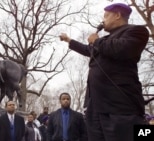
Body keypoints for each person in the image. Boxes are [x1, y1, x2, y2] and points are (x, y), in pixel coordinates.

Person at [59, 3, 149, 141]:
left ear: (118, 15)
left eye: (106, 16)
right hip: (95, 106)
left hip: (120, 106)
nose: (103, 20)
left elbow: (121, 49)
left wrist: (96, 41)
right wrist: (69, 40)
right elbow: (88, 50)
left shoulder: (137, 31)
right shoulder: (104, 41)